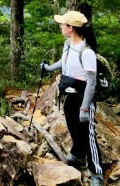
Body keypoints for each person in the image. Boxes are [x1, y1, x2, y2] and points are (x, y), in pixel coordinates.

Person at [41, 10, 104, 186]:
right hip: (70, 95)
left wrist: (85, 108)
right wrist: (48, 68)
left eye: (63, 24)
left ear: (71, 28)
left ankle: (96, 173)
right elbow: (64, 61)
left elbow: (91, 83)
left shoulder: (87, 52)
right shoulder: (68, 44)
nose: (61, 26)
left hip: (84, 97)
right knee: (73, 128)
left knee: (88, 134)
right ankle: (77, 155)